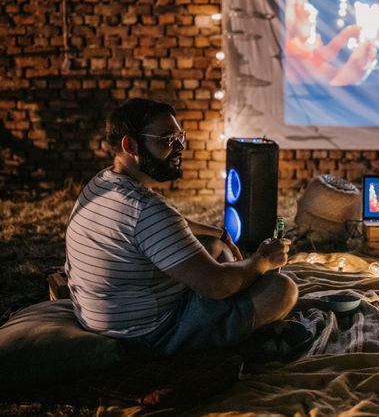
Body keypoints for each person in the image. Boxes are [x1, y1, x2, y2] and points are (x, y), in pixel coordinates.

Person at [65, 98, 298, 357]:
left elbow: (168, 228)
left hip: (106, 314)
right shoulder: (146, 210)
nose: (179, 148)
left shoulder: (104, 183)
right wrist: (261, 261)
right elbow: (218, 285)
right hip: (148, 335)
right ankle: (236, 337)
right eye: (166, 139)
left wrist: (220, 233)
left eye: (180, 137)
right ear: (130, 145)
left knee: (215, 247)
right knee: (282, 290)